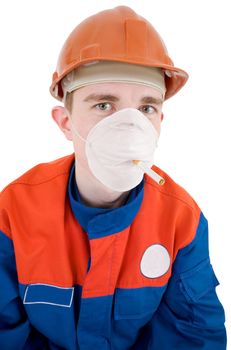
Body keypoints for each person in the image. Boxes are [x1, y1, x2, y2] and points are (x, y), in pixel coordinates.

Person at [0, 5, 227, 350]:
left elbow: (193, 336)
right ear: (65, 122)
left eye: (146, 107)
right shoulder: (14, 210)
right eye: (104, 105)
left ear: (159, 124)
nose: (129, 126)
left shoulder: (180, 220)